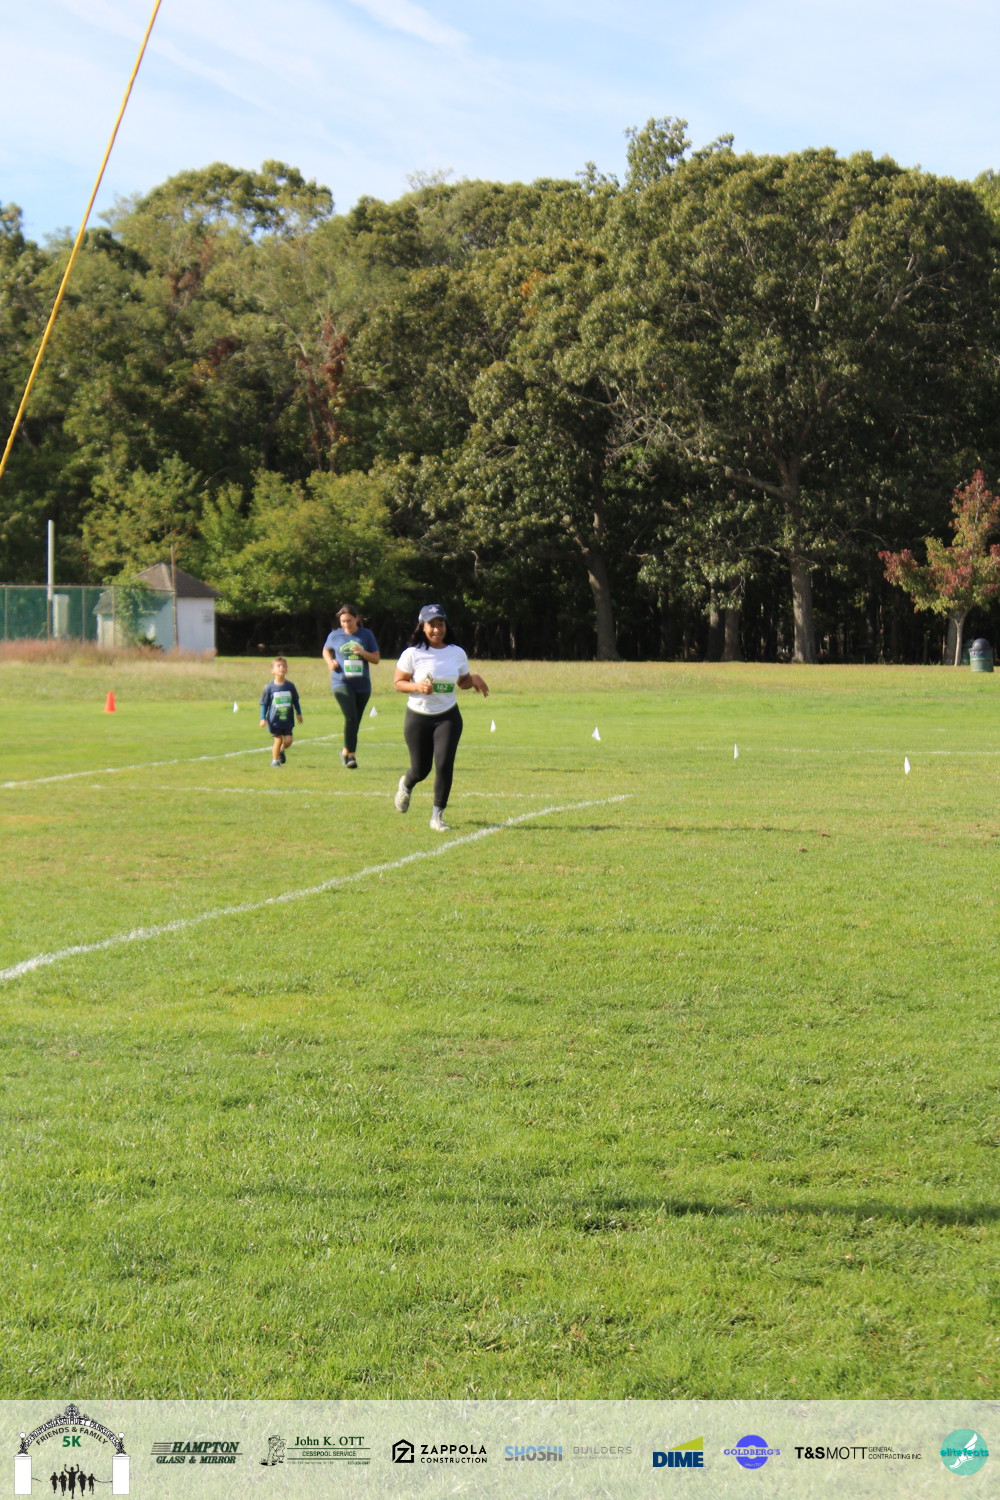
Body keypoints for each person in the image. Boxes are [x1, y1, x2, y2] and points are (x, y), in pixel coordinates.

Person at [393, 604, 489, 831]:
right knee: (421, 770)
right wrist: (417, 686)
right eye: (431, 625)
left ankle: (437, 816)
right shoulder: (412, 653)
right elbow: (398, 683)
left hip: (448, 717)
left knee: (444, 764)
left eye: (440, 624)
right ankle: (406, 784)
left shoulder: (457, 653)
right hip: (418, 718)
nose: (437, 629)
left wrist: (473, 678)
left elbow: (462, 682)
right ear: (422, 627)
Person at [321, 605, 380, 768]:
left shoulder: (366, 635)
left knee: (355, 722)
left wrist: (363, 653)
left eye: (348, 621)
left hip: (362, 685)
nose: (345, 624)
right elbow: (325, 650)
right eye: (343, 622)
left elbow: (376, 658)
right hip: (341, 681)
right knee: (350, 717)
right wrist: (330, 662)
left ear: (356, 619)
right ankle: (351, 757)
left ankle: (345, 751)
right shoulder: (335, 635)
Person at [259, 656, 303, 767]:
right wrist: (263, 718)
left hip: (287, 720)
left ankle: (281, 750)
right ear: (272, 670)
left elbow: (295, 701)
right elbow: (264, 704)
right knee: (277, 740)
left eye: (284, 666)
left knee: (288, 741)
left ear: (286, 669)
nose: (281, 668)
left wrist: (299, 713)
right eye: (278, 666)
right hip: (274, 721)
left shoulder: (290, 686)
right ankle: (275, 761)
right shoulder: (269, 687)